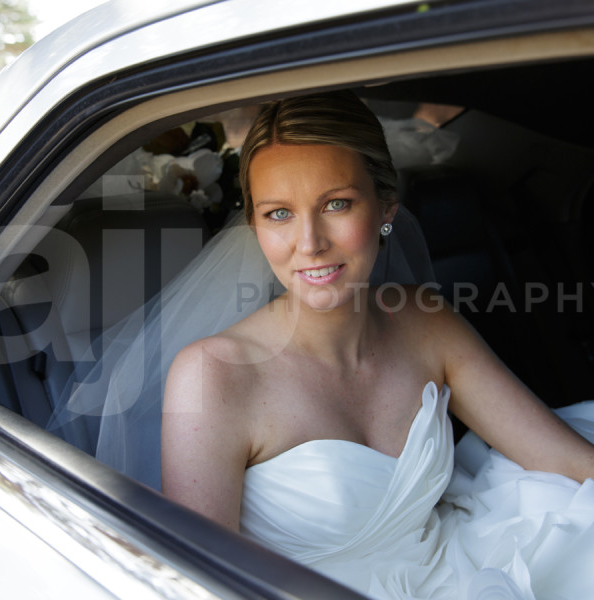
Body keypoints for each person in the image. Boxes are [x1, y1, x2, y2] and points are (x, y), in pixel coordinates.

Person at [160, 91, 594, 600]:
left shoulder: (424, 321)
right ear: (253, 223)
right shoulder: (213, 375)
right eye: (278, 214)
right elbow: (196, 586)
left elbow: (565, 461)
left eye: (336, 204)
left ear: (386, 207)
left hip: (463, 571)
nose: (310, 242)